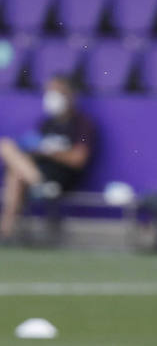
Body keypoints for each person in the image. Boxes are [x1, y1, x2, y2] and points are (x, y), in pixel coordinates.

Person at [0, 76, 96, 239]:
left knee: (13, 164)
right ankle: (7, 230)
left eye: (57, 91)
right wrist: (33, 149)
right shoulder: (47, 123)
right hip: (41, 172)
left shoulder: (82, 124)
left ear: (70, 95)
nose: (51, 96)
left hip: (62, 176)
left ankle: (37, 185)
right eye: (49, 91)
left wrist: (49, 152)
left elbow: (78, 159)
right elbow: (34, 147)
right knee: (11, 161)